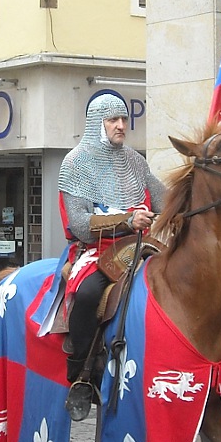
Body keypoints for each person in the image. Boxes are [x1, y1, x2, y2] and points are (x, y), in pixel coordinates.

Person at [56, 90, 165, 419]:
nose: (121, 126)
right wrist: (126, 219)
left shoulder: (135, 160)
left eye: (124, 120)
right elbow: (80, 225)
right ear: (96, 123)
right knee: (88, 295)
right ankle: (82, 375)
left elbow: (164, 199)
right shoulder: (76, 162)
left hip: (138, 246)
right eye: (113, 120)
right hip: (97, 250)